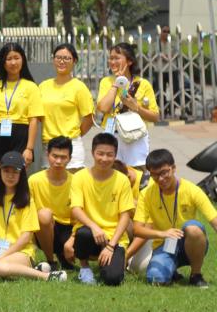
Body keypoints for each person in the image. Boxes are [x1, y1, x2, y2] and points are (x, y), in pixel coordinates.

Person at [0, 151, 66, 282]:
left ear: (21, 174)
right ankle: (29, 271)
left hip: (21, 252)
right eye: (6, 171)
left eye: (15, 172)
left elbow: (26, 237)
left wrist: (0, 258)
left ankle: (47, 276)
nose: (10, 176)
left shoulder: (26, 199)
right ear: (0, 172)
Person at [133, 149, 216, 288]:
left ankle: (196, 275)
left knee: (193, 229)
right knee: (155, 279)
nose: (160, 179)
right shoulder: (146, 194)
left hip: (190, 242)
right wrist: (162, 234)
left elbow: (215, 221)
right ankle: (171, 271)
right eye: (155, 175)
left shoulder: (192, 190)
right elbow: (137, 229)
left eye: (164, 172)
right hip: (164, 244)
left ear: (174, 168)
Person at [69, 133, 134, 286]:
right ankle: (84, 268)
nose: (104, 159)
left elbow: (125, 215)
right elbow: (76, 209)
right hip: (90, 234)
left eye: (109, 155)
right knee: (83, 233)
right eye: (100, 153)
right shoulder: (79, 177)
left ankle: (108, 263)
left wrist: (111, 246)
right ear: (93, 153)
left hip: (114, 237)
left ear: (115, 156)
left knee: (113, 279)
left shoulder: (122, 180)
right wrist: (94, 227)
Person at [96, 42, 160, 169]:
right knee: (112, 174)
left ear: (129, 61)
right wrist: (116, 84)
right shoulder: (106, 82)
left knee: (137, 174)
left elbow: (155, 117)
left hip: (136, 137)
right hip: (111, 136)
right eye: (111, 58)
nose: (112, 62)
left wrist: (136, 108)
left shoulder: (143, 84)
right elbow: (103, 108)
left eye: (116, 58)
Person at [0, 43, 43, 168]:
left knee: (18, 174)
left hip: (21, 136)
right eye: (9, 59)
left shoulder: (31, 87)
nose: (13, 62)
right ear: (3, 62)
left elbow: (33, 120)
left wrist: (29, 148)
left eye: (16, 58)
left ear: (23, 60)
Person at [39, 44, 94, 169]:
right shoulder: (43, 86)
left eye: (66, 58)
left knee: (73, 180)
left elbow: (89, 118)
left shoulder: (79, 87)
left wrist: (75, 135)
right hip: (48, 146)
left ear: (74, 61)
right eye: (58, 57)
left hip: (71, 146)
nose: (62, 61)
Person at [30, 136, 75, 270]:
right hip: (43, 230)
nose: (58, 161)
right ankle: (51, 260)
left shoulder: (76, 181)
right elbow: (27, 213)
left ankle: (66, 256)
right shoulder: (34, 180)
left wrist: (72, 240)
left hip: (69, 229)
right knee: (44, 215)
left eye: (63, 157)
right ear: (47, 155)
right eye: (55, 156)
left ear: (70, 158)